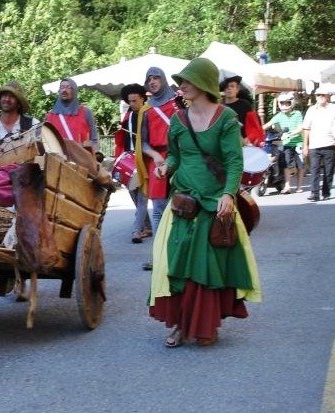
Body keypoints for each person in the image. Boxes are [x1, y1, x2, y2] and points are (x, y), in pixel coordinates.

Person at [149, 57, 262, 348]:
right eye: (181, 82)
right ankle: (178, 325)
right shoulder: (177, 120)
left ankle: (205, 323)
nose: (182, 86)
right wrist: (166, 167)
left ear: (203, 84)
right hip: (184, 201)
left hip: (214, 203)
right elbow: (175, 155)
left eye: (187, 81)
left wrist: (228, 194)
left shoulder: (225, 118)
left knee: (206, 266)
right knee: (177, 264)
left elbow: (234, 161)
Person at [140, 67, 179, 270]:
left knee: (181, 206)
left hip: (180, 157)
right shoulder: (146, 110)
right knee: (157, 210)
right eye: (149, 79)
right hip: (157, 160)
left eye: (156, 78)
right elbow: (143, 143)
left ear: (163, 80)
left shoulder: (178, 103)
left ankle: (179, 254)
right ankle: (158, 255)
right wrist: (155, 156)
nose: (153, 82)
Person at [113, 83, 152, 243]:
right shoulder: (128, 115)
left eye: (135, 100)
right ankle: (148, 226)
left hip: (144, 160)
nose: (132, 104)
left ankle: (136, 230)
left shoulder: (149, 113)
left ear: (143, 99)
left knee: (142, 197)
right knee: (134, 195)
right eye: (130, 101)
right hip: (129, 159)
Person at [0, 81, 40, 167]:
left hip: (27, 178)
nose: (7, 99)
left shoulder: (33, 124)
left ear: (19, 103)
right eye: (4, 95)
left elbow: (42, 156)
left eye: (12, 96)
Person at [302, 89, 335, 202]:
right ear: (315, 96)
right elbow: (306, 128)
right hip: (314, 145)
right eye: (318, 95)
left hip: (329, 143)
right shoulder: (311, 110)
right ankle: (314, 193)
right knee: (314, 169)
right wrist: (305, 145)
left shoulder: (333, 108)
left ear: (327, 96)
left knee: (328, 170)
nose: (320, 96)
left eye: (323, 95)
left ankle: (326, 191)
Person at [263, 92, 305, 193]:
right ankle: (287, 186)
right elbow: (268, 124)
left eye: (287, 103)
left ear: (292, 103)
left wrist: (290, 134)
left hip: (298, 143)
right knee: (286, 165)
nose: (285, 105)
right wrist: (257, 131)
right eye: (282, 103)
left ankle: (299, 187)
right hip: (286, 143)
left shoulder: (297, 114)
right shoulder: (279, 116)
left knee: (300, 165)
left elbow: (301, 127)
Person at [45, 78, 99, 153]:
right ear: (59, 91)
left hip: (81, 161)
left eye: (68, 87)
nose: (64, 90)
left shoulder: (86, 113)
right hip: (57, 161)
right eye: (62, 87)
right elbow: (46, 142)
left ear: (74, 91)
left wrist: (90, 151)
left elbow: (94, 140)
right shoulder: (50, 116)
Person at [220, 75, 265, 147]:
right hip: (226, 143)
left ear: (237, 89)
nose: (229, 88)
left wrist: (250, 138)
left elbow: (255, 124)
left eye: (232, 86)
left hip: (245, 143)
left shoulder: (245, 104)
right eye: (226, 86)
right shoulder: (220, 106)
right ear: (224, 90)